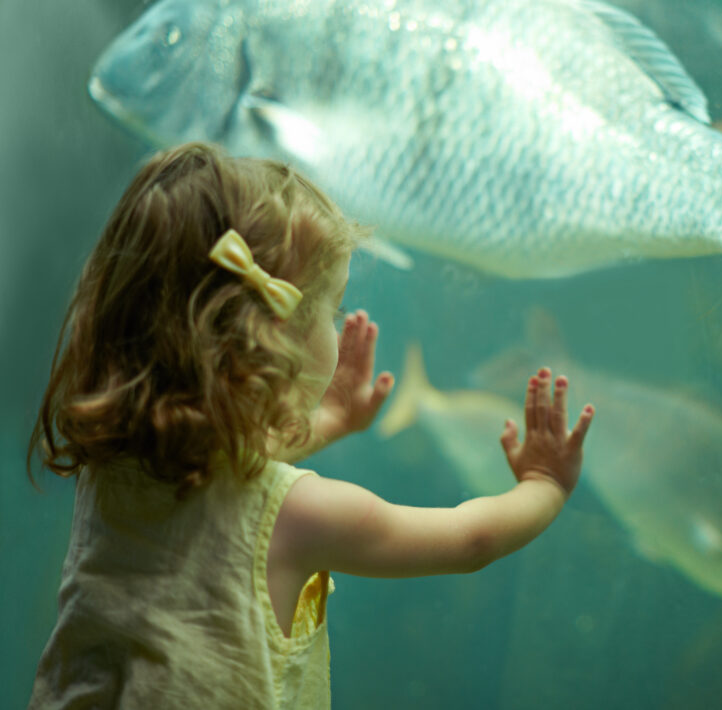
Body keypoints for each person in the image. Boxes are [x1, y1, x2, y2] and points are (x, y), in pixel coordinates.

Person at [27, 142, 594, 708]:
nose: (338, 327)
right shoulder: (303, 515)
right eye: (332, 309)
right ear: (277, 337)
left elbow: (224, 469)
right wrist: (544, 485)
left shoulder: (113, 461)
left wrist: (329, 420)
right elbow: (471, 541)